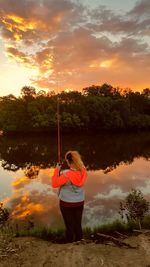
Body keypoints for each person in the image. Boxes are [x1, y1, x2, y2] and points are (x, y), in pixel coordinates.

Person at [52, 150, 87, 243]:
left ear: (68, 161)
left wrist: (57, 170)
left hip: (66, 204)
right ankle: (79, 240)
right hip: (80, 202)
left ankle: (69, 242)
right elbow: (77, 171)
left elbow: (54, 183)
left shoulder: (66, 174)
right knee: (78, 224)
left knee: (69, 225)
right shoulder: (83, 171)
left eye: (67, 161)